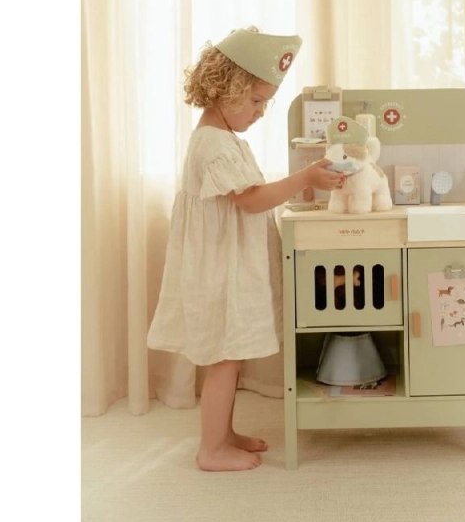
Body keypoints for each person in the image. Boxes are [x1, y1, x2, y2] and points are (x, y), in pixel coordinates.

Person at [147, 26, 344, 471]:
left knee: (229, 355)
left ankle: (223, 434)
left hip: (225, 262)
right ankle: (211, 450)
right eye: (255, 101)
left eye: (264, 103)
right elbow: (251, 200)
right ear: (227, 89)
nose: (260, 112)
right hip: (221, 269)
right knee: (224, 358)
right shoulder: (214, 144)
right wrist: (305, 177)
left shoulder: (222, 138)